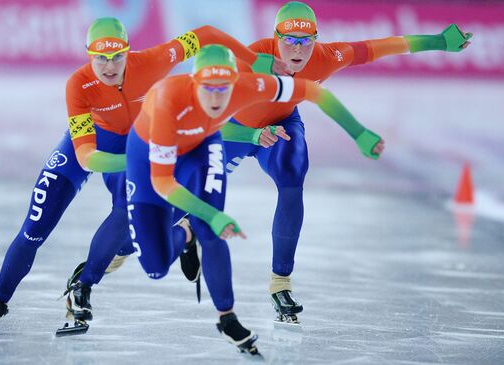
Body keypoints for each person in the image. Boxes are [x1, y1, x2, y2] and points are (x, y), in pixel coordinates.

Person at [0, 17, 290, 331]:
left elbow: (204, 34)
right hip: (92, 148)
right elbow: (86, 157)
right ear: (89, 56)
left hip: (135, 143)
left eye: (117, 56)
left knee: (131, 225)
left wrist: (254, 61)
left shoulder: (152, 61)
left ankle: (83, 287)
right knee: (34, 229)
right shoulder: (78, 84)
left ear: (128, 52)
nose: (109, 66)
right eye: (100, 58)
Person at [219, 1, 473, 323]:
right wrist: (252, 137)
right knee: (190, 198)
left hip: (282, 125)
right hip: (234, 129)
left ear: (316, 39)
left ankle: (280, 283)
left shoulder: (326, 57)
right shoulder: (252, 58)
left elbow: (383, 46)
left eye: (306, 41)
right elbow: (209, 118)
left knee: (293, 176)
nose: (297, 50)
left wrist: (438, 41)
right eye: (289, 41)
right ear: (274, 38)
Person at [125, 44, 384, 353]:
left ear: (236, 83)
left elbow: (315, 92)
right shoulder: (168, 100)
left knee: (212, 229)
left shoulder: (251, 86)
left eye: (225, 90)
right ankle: (186, 231)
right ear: (194, 84)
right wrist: (211, 213)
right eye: (209, 90)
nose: (218, 99)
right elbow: (163, 181)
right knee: (155, 267)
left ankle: (227, 317)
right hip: (151, 158)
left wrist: (358, 133)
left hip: (204, 144)